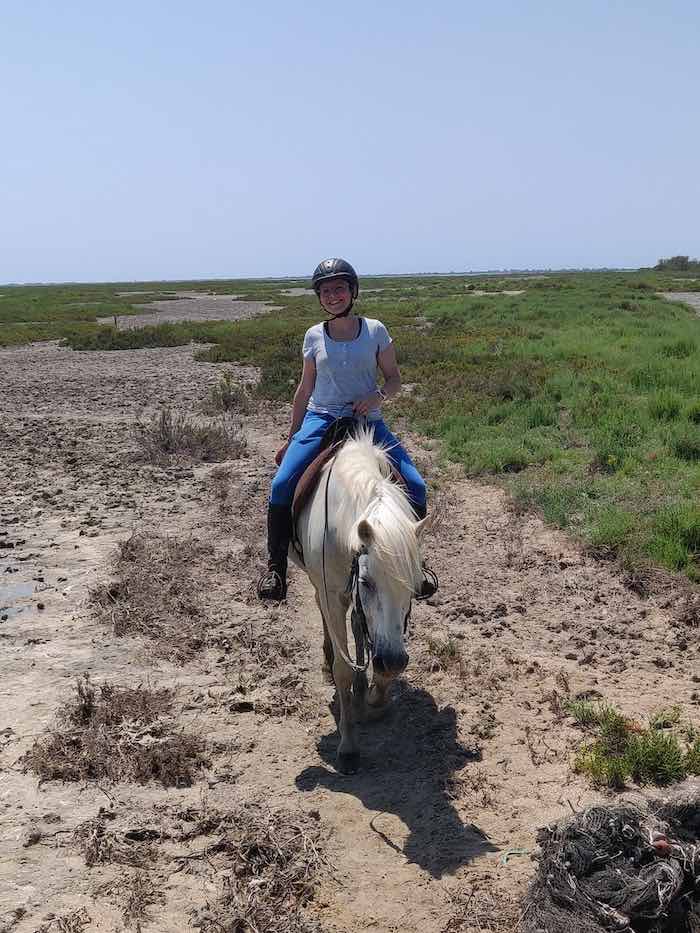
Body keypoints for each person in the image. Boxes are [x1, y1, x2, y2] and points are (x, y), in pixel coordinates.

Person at [257, 257, 436, 601]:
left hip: (367, 422)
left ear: (353, 291)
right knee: (281, 484)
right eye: (326, 290)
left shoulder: (375, 330)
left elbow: (394, 378)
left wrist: (378, 396)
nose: (333, 295)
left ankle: (415, 561)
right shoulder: (313, 336)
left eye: (339, 288)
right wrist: (291, 436)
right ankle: (276, 568)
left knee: (415, 485)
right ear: (319, 297)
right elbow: (304, 389)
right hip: (321, 418)